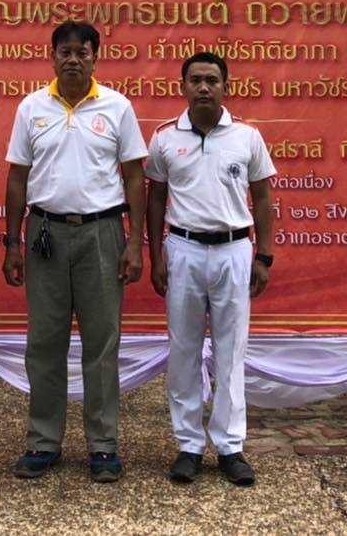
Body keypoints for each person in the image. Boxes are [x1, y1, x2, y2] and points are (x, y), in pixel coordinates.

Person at [3, 20, 147, 483]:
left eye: (81, 52)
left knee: (101, 343)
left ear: (94, 58)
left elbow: (134, 177)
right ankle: (43, 441)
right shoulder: (31, 108)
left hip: (102, 234)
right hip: (44, 233)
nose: (72, 60)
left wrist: (135, 243)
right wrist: (12, 243)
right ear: (52, 57)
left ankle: (103, 445)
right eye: (64, 52)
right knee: (45, 342)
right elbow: (17, 179)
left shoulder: (117, 107)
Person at [146, 51, 275, 487]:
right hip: (182, 249)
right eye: (196, 80)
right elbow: (156, 199)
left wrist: (264, 256)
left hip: (234, 250)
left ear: (226, 86)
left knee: (230, 350)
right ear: (183, 86)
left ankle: (230, 446)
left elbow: (263, 199)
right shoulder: (165, 138)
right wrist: (156, 256)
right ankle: (188, 445)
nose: (204, 87)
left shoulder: (247, 137)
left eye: (212, 80)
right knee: (183, 349)